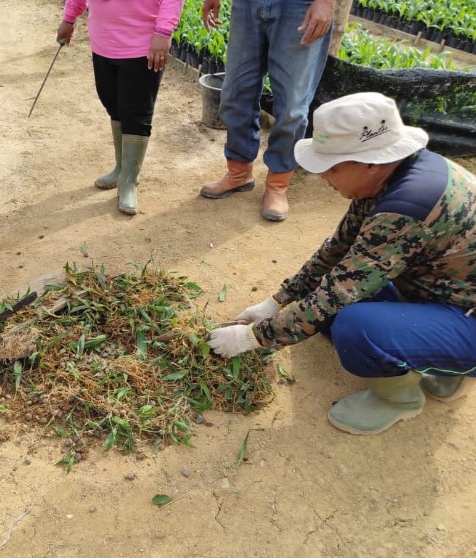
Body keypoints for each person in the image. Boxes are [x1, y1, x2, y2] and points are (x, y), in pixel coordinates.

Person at [206, 92, 476, 435]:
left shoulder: (407, 206)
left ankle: (402, 398)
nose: (322, 177)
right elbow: (338, 250)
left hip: (468, 316)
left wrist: (253, 338)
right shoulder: (393, 178)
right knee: (330, 314)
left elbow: (336, 294)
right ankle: (441, 361)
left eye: (331, 168)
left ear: (371, 162)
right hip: (447, 294)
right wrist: (276, 302)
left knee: (353, 325)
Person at [199, 0, 334, 221]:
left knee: (292, 105)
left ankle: (277, 184)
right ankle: (239, 172)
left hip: (299, 6)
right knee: (235, 93)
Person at [56, 0, 184, 216]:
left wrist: (163, 32)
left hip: (141, 45)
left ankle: (128, 181)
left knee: (136, 113)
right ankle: (120, 168)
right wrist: (69, 18)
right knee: (113, 105)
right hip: (103, 42)